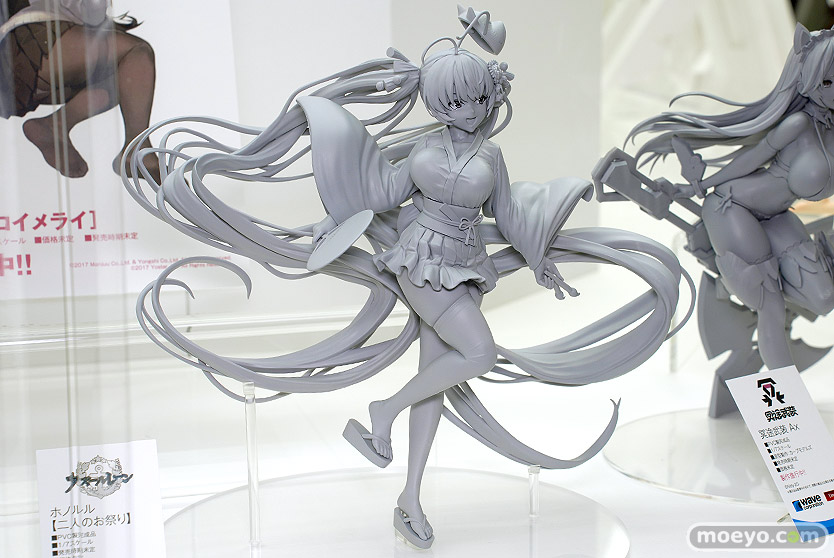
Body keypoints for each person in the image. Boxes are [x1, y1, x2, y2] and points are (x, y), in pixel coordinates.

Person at [123, 7, 688, 548]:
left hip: (465, 267)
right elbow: (383, 195)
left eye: (475, 97)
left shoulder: (492, 155)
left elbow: (509, 214)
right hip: (419, 261)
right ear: (437, 102)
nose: (467, 108)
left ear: (488, 95)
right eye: (454, 100)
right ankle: (384, 410)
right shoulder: (423, 148)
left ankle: (410, 499)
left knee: (435, 379)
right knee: (480, 353)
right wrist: (332, 218)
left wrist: (539, 257)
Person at [628, 22, 834, 372]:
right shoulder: (798, 124)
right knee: (770, 307)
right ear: (808, 80)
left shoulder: (828, 128)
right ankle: (787, 400)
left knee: (825, 297)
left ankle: (736, 280)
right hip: (733, 207)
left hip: (777, 215)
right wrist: (702, 185)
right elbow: (753, 158)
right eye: (827, 81)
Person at [0, 0, 158, 179]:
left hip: (26, 55)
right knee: (136, 52)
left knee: (126, 81)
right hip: (34, 40)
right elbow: (93, 13)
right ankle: (137, 149)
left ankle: (55, 125)